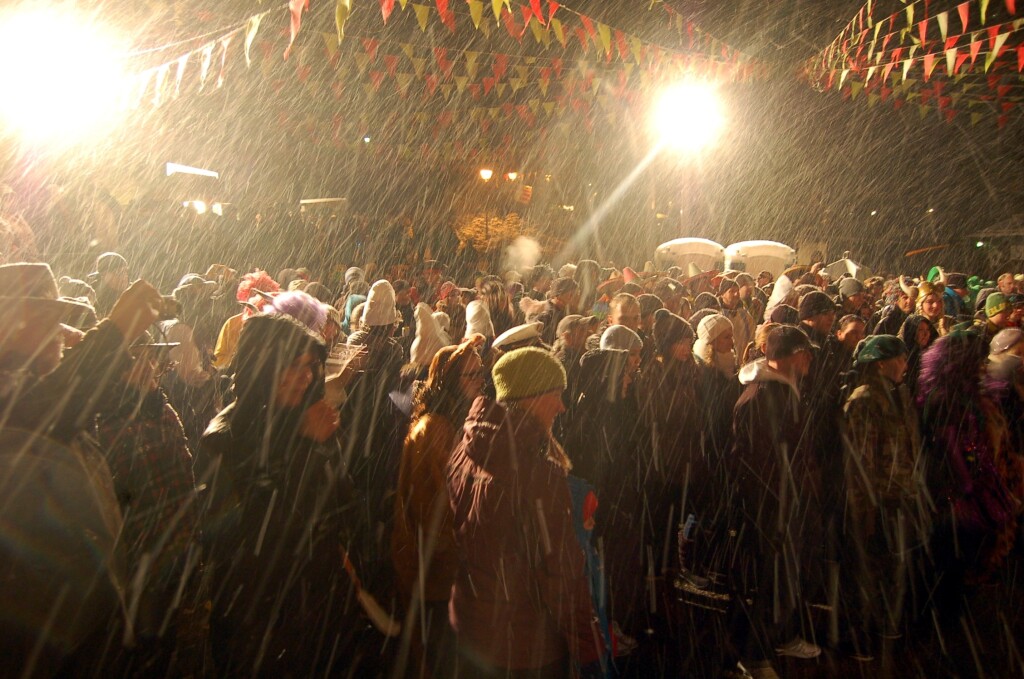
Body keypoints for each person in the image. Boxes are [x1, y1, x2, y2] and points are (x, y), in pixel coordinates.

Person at [0, 263, 162, 674]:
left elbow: (79, 405)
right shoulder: (19, 395)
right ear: (10, 324)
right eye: (46, 319)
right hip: (30, 630)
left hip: (66, 622)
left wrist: (142, 396)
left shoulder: (44, 386)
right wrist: (113, 332)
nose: (60, 331)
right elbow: (45, 409)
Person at [195, 313, 367, 676]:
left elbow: (341, 503)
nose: (305, 377)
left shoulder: (307, 419)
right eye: (292, 366)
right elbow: (251, 539)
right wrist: (305, 450)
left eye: (311, 366)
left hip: (315, 609)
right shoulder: (225, 439)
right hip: (258, 623)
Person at [448, 347, 605, 678]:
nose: (562, 406)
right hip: (525, 642)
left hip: (472, 627)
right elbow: (561, 574)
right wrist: (590, 647)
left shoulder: (464, 448)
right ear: (531, 397)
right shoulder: (536, 474)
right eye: (556, 395)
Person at [729, 326, 820, 678]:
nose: (809, 357)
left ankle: (774, 640)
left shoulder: (786, 391)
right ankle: (751, 656)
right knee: (760, 581)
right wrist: (776, 503)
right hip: (770, 506)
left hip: (785, 502)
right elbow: (755, 462)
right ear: (780, 357)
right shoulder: (761, 396)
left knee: (780, 578)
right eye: (803, 351)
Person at [392, 337, 485, 679]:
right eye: (469, 375)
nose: (478, 382)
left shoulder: (452, 421)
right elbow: (451, 499)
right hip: (440, 569)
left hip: (449, 566)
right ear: (449, 382)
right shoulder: (436, 429)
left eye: (479, 374)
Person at [842, 335, 927, 668]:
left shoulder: (900, 394)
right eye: (900, 359)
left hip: (902, 496)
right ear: (881, 363)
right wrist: (865, 509)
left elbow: (910, 444)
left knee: (894, 568)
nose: (906, 365)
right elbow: (859, 462)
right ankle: (858, 636)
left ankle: (886, 628)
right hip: (877, 502)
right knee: (867, 573)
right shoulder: (863, 400)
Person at [718, 279, 755, 367]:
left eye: (737, 291)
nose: (736, 294)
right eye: (731, 291)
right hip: (725, 362)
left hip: (744, 362)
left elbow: (752, 337)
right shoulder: (718, 315)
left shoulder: (744, 315)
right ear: (722, 294)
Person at [87, 251, 130, 317]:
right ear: (104, 275)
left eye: (125, 271)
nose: (124, 277)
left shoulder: (135, 292)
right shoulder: (92, 296)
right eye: (118, 272)